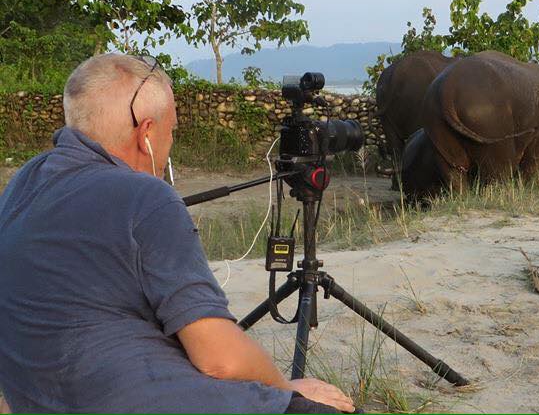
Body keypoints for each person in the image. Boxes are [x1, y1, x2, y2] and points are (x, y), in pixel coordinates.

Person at [0, 54, 354, 413]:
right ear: (146, 133)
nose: (171, 143)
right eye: (172, 131)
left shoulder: (24, 183)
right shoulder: (145, 197)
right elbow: (220, 360)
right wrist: (287, 387)